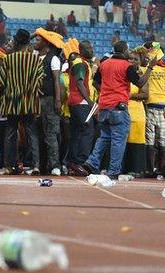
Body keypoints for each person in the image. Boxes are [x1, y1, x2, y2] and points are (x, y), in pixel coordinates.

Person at [82, 41, 156, 179]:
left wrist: (106, 91)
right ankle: (114, 170)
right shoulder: (126, 66)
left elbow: (95, 82)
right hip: (118, 108)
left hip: (104, 106)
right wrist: (150, 67)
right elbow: (140, 82)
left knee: (104, 137)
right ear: (124, 50)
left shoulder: (104, 64)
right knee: (118, 140)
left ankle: (92, 162)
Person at [0, 29, 44, 175]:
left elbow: (1, 81)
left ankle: (9, 166)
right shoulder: (36, 60)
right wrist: (32, 94)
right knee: (31, 133)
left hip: (11, 101)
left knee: (10, 132)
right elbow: (39, 80)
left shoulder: (9, 59)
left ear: (16, 42)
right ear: (28, 43)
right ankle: (36, 166)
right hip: (29, 101)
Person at [34, 28, 64, 176]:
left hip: (49, 99)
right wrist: (38, 33)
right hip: (35, 100)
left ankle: (55, 165)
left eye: (38, 40)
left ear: (45, 43)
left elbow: (56, 81)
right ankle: (39, 165)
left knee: (51, 134)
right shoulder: (33, 56)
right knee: (36, 133)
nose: (35, 41)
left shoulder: (53, 59)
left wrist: (58, 100)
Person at [144, 44, 165, 177]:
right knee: (162, 139)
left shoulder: (147, 68)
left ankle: (150, 169)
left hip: (150, 105)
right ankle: (163, 169)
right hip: (163, 106)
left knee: (150, 139)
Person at [67, 40, 96, 176]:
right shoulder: (80, 63)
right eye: (88, 48)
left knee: (77, 133)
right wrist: (89, 101)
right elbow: (79, 83)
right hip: (81, 102)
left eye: (91, 47)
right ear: (81, 50)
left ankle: (72, 163)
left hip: (76, 102)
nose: (91, 50)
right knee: (87, 132)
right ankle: (80, 162)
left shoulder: (83, 63)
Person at [123, 48, 149, 175]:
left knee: (136, 140)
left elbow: (145, 95)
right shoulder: (123, 72)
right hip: (123, 110)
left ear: (139, 62)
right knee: (122, 139)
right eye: (130, 58)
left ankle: (136, 169)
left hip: (137, 112)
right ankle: (121, 168)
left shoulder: (141, 74)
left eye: (135, 59)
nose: (132, 61)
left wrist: (128, 96)